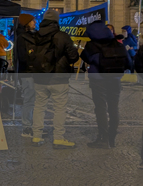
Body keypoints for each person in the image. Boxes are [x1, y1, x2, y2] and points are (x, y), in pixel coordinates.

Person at [28, 9, 79, 148]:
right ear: (56, 21)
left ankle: (36, 136)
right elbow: (74, 57)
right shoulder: (62, 36)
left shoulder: (34, 36)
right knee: (59, 108)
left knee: (39, 107)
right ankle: (58, 138)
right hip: (58, 78)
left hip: (39, 78)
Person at [80, 21, 131, 149]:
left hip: (98, 80)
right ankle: (111, 137)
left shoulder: (92, 45)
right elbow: (128, 62)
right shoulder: (116, 43)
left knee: (101, 108)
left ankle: (103, 138)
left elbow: (85, 58)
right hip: (115, 79)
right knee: (114, 108)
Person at [16, 13, 38, 138]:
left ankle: (34, 126)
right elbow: (23, 57)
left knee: (35, 101)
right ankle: (27, 128)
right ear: (26, 23)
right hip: (27, 73)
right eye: (32, 21)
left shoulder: (33, 35)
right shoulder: (22, 38)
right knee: (29, 100)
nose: (34, 23)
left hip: (34, 73)